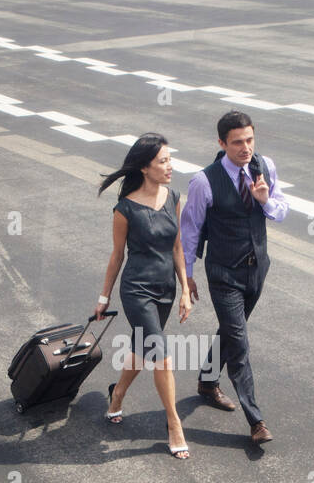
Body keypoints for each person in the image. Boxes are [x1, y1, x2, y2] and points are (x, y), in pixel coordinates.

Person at [179, 110, 288, 444]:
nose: (246, 148)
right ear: (222, 143)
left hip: (257, 269)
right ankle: (256, 421)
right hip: (224, 273)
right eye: (238, 142)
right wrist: (188, 278)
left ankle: (207, 382)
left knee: (231, 330)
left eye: (250, 140)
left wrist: (266, 200)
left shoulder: (265, 167)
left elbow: (282, 209)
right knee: (239, 344)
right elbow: (190, 231)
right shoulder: (203, 181)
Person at [94, 134, 194, 459]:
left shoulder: (173, 197)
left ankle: (117, 394)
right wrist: (104, 297)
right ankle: (174, 423)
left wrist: (184, 290)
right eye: (163, 161)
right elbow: (116, 256)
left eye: (169, 159)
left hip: (165, 289)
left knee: (141, 348)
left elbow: (177, 247)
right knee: (161, 354)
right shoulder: (124, 210)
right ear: (144, 167)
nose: (170, 166)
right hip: (137, 290)